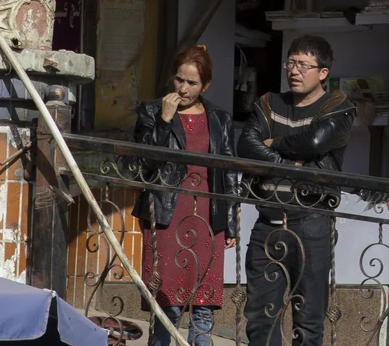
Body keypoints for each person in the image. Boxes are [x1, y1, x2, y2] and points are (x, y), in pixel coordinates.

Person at [237, 35, 356, 346]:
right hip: (268, 223)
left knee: (308, 321)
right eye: (291, 63)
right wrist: (287, 163)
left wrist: (274, 144)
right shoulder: (269, 103)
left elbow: (317, 141)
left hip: (311, 222)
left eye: (304, 65)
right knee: (260, 318)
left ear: (323, 72)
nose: (294, 71)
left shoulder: (338, 107)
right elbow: (246, 145)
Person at [134, 45, 235, 346]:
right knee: (169, 303)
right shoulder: (151, 111)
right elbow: (145, 161)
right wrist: (164, 121)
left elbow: (228, 171)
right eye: (179, 80)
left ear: (206, 85)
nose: (184, 88)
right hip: (167, 213)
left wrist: (228, 220)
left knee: (204, 305)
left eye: (192, 83)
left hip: (207, 214)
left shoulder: (219, 118)